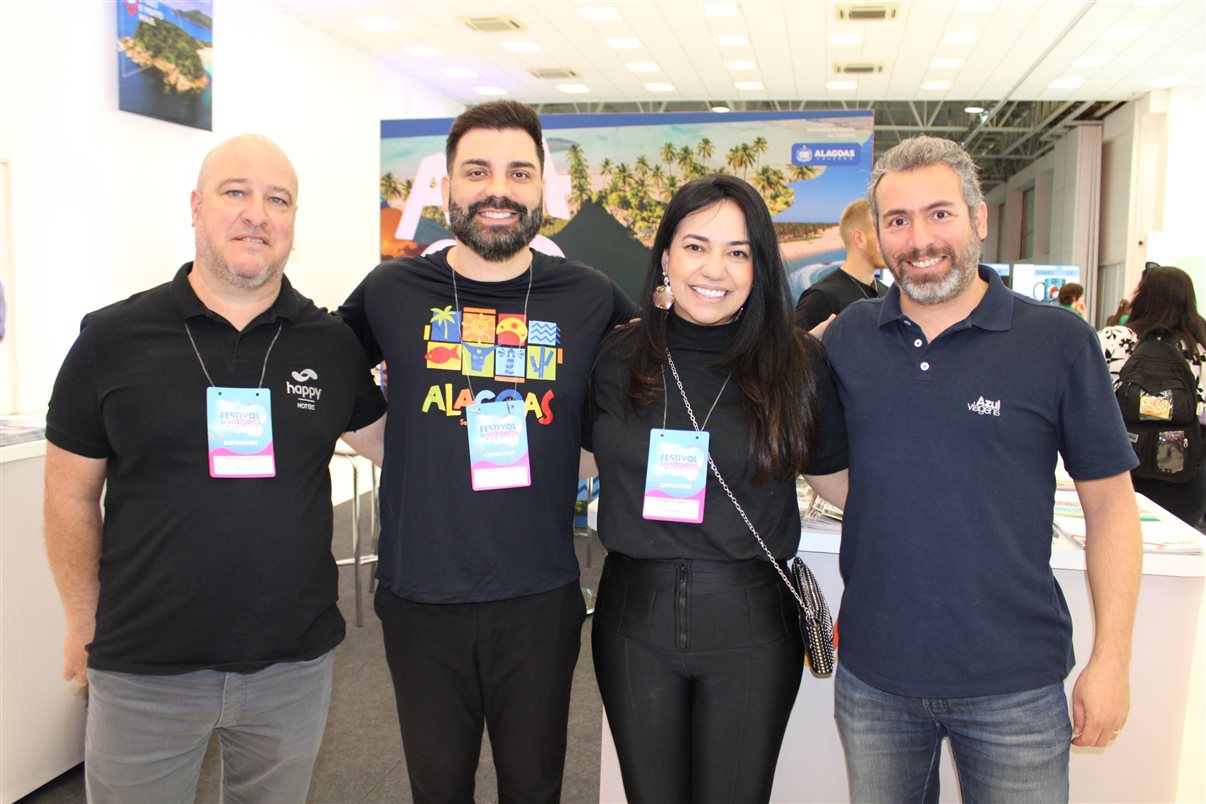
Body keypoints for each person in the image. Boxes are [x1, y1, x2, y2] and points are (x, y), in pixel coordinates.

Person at [42, 134, 387, 803]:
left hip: (291, 666)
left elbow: (397, 448)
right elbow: (69, 497)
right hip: (144, 668)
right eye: (236, 193)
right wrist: (82, 624)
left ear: (292, 222)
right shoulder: (111, 340)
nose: (256, 213)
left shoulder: (331, 344)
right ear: (197, 207)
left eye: (276, 200)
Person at [823, 135, 1143, 802]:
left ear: (979, 218)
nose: (919, 238)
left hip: (1015, 685)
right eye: (898, 220)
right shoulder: (850, 336)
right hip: (875, 676)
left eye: (939, 214)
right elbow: (839, 474)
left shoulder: (1058, 341)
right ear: (878, 235)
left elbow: (1112, 508)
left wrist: (1111, 661)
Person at [336, 100, 635, 803]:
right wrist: (397, 447)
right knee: (437, 788)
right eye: (478, 170)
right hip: (420, 595)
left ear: (542, 189)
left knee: (534, 787)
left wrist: (579, 458)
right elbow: (318, 369)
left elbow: (659, 374)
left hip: (539, 593)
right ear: (446, 187)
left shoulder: (589, 295)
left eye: (518, 173)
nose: (498, 190)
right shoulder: (393, 289)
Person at [586, 174, 848, 804]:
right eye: (696, 246)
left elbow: (843, 482)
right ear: (666, 256)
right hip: (632, 619)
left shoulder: (797, 364)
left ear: (760, 266)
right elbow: (576, 460)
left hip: (751, 622)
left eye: (738, 252)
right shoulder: (618, 357)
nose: (716, 269)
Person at [1099, 265, 1206, 524]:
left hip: (1121, 467)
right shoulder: (1200, 345)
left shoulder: (1114, 337)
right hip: (1186, 471)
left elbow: (1090, 398)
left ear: (1143, 296)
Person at [793, 198, 887, 332]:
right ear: (859, 239)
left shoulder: (887, 294)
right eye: (881, 234)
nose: (890, 244)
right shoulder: (820, 298)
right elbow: (796, 351)